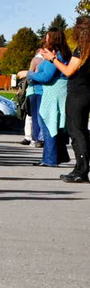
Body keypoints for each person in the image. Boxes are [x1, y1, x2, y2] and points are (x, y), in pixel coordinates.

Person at [41, 16, 90, 182]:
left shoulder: (82, 49)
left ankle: (81, 171)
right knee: (82, 130)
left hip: (77, 93)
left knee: (76, 131)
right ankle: (81, 168)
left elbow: (68, 71)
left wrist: (53, 59)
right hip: (87, 92)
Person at [19, 28, 70, 167]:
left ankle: (50, 159)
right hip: (57, 91)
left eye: (47, 37)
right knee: (52, 124)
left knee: (48, 123)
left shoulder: (55, 55)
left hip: (53, 93)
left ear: (53, 39)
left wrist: (27, 74)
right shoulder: (62, 54)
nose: (45, 40)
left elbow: (46, 76)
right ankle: (53, 157)